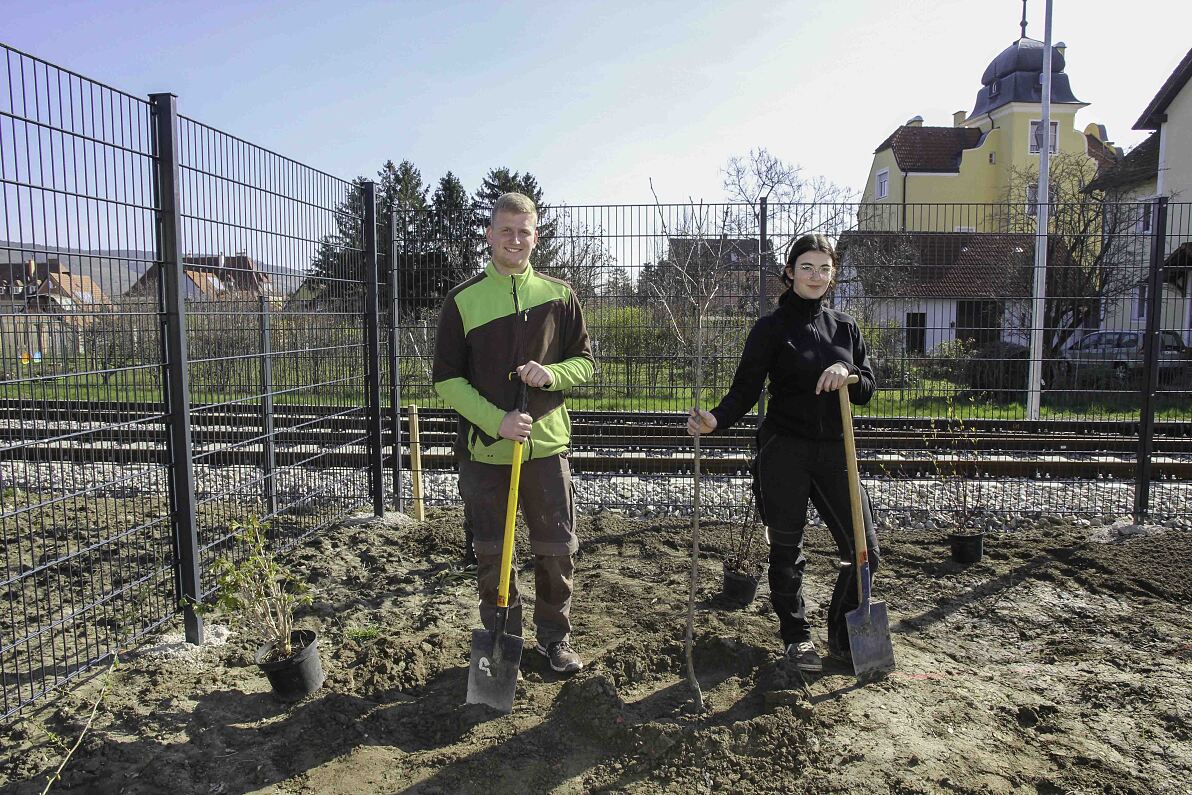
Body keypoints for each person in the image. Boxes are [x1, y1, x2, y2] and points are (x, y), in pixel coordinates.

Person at [686, 233, 879, 673]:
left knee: (864, 548)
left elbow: (867, 387)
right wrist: (717, 419)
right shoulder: (770, 328)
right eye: (807, 267)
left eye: (824, 268)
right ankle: (797, 639)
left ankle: (842, 633)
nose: (816, 276)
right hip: (784, 451)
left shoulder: (845, 327)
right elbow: (745, 389)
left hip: (835, 452)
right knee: (787, 551)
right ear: (789, 272)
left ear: (833, 274)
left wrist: (846, 370)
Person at [433, 192, 595, 674]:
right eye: (506, 230)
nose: (515, 239)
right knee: (492, 555)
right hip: (486, 453)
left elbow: (585, 363)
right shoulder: (463, 300)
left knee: (555, 550)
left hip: (546, 448)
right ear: (489, 234)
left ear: (536, 236)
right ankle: (504, 642)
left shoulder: (560, 296)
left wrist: (553, 375)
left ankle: (554, 639)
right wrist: (495, 421)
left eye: (524, 231)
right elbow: (446, 379)